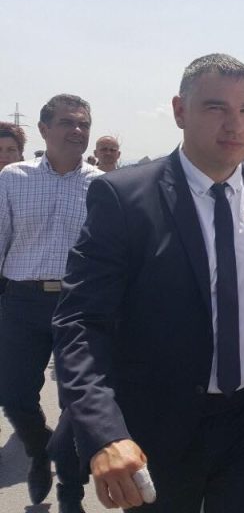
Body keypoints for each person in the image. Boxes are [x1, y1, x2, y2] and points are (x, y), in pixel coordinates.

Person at [50, 54, 244, 512]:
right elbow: (82, 322)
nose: (234, 124)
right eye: (215, 107)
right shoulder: (125, 198)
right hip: (160, 426)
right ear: (179, 111)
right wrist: (104, 433)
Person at [0, 95, 99, 512]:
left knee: (76, 405)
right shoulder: (12, 178)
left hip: (79, 305)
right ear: (43, 130)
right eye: (67, 123)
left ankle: (70, 492)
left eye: (83, 124)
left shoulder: (102, 185)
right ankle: (40, 448)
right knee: (14, 395)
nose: (77, 130)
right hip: (22, 302)